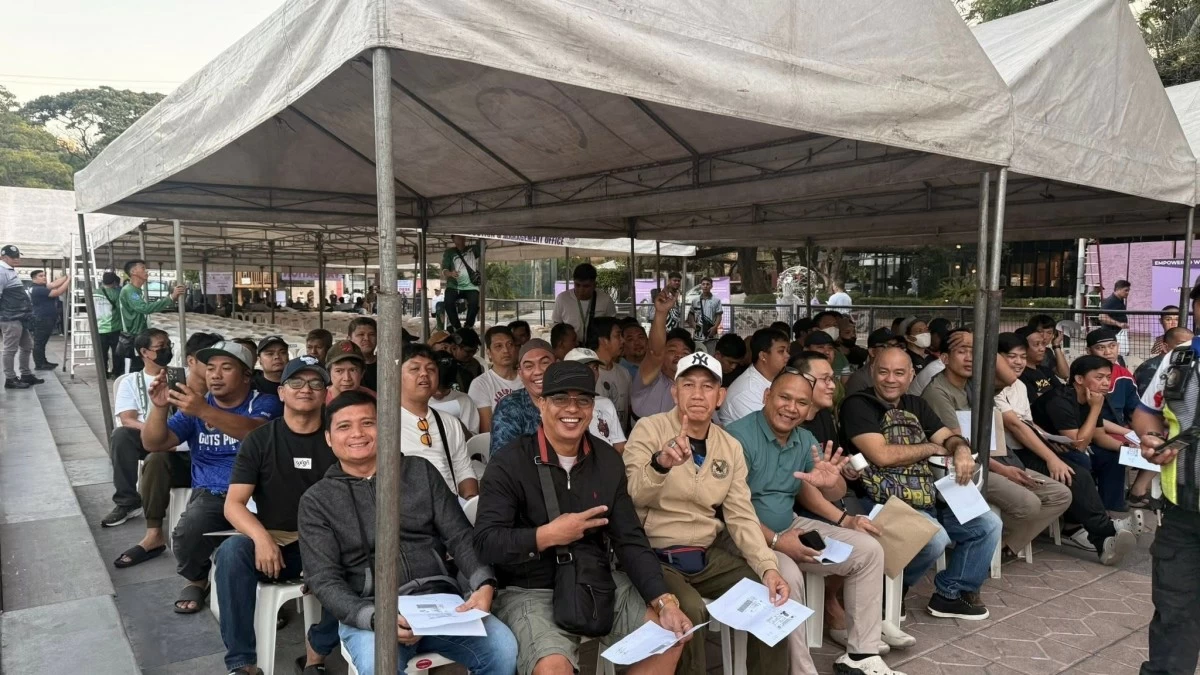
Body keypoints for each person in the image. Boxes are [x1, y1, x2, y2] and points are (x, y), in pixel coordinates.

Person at [475, 361, 688, 675]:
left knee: (669, 638)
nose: (571, 409)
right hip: (530, 589)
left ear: (592, 407)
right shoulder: (509, 462)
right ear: (542, 403)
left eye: (582, 400)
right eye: (560, 399)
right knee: (553, 669)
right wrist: (547, 535)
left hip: (594, 579)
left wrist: (664, 601)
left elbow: (630, 539)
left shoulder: (607, 461)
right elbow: (486, 541)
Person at [299, 392, 516, 674]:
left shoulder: (419, 471)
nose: (357, 434)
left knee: (504, 649)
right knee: (380, 666)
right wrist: (377, 618)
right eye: (344, 426)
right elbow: (324, 580)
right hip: (370, 611)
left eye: (368, 423)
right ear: (328, 437)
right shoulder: (317, 501)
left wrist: (485, 583)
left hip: (440, 603)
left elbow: (460, 535)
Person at [728, 370, 905, 675]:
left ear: (809, 409)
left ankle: (861, 656)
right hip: (744, 535)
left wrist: (830, 481)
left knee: (868, 550)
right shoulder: (737, 437)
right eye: (784, 397)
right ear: (767, 396)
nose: (791, 408)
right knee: (789, 576)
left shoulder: (804, 439)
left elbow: (828, 490)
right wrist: (776, 542)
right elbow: (729, 511)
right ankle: (801, 670)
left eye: (801, 402)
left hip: (789, 525)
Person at [624, 352, 789, 675]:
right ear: (675, 391)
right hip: (655, 554)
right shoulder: (650, 429)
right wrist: (661, 465)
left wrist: (768, 567)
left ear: (720, 396)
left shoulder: (728, 446)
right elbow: (633, 494)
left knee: (771, 601)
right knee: (693, 612)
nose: (697, 394)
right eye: (688, 385)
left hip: (703, 554)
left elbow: (741, 515)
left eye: (707, 386)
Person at [840, 347, 1002, 620]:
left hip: (928, 491)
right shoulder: (857, 404)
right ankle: (892, 589)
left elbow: (947, 438)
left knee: (988, 524)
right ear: (872, 372)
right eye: (883, 371)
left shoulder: (916, 404)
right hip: (880, 496)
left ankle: (951, 593)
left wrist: (960, 448)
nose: (891, 379)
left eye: (899, 373)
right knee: (934, 538)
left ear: (911, 375)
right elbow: (881, 455)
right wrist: (929, 448)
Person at [217, 356, 339, 675]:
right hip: (277, 544)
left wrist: (325, 555)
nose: (306, 389)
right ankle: (242, 663)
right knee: (231, 554)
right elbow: (234, 504)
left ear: (326, 392)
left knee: (368, 559)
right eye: (296, 382)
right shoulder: (260, 439)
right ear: (281, 392)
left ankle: (317, 655)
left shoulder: (339, 437)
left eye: (315, 383)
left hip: (330, 545)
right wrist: (260, 538)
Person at [140, 340, 282, 613]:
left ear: (245, 376)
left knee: (268, 541)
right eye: (211, 368)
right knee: (187, 532)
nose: (215, 375)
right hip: (215, 492)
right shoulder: (196, 407)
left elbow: (256, 433)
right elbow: (154, 443)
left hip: (261, 491)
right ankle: (197, 578)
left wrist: (204, 411)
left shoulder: (264, 402)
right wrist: (159, 406)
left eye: (226, 368)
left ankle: (265, 596)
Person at [921, 330, 1071, 559]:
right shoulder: (938, 392)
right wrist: (1005, 471)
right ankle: (981, 542)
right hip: (963, 468)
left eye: (974, 352)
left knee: (1060, 494)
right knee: (1029, 504)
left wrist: (981, 341)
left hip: (998, 458)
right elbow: (960, 448)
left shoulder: (976, 384)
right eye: (961, 351)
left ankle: (1003, 546)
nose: (969, 358)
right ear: (944, 358)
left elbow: (1010, 377)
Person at [1134, 281, 1200, 675]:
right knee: (1174, 613)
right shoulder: (1179, 359)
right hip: (1181, 513)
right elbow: (1147, 412)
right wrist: (1150, 436)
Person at [1031, 355, 1138, 563]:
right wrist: (1096, 408)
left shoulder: (1093, 397)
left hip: (1069, 451)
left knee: (1112, 457)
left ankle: (1107, 525)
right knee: (1080, 464)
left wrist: (1130, 449)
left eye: (1108, 377)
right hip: (1041, 453)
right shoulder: (1060, 400)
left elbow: (1098, 436)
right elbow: (1079, 443)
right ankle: (1105, 528)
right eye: (1099, 377)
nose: (1106, 383)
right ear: (1079, 379)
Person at [401, 344, 478, 497]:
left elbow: (463, 470)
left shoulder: (449, 422)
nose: (424, 374)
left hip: (449, 509)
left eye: (431, 369)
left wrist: (470, 503)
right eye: (415, 369)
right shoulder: (382, 424)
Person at [634, 291, 696, 419]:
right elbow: (655, 352)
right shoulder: (650, 379)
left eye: (685, 353)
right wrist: (661, 313)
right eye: (672, 351)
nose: (679, 356)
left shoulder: (696, 387)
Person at [489, 339, 555, 457]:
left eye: (545, 363)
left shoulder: (572, 403)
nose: (538, 371)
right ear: (520, 373)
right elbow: (502, 463)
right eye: (529, 366)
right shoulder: (509, 408)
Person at [119, 259, 185, 373]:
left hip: (139, 333)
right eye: (143, 268)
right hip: (134, 335)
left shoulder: (136, 290)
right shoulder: (129, 291)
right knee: (137, 367)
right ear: (134, 272)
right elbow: (144, 308)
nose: (147, 272)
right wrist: (170, 298)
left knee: (142, 365)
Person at [717, 327, 790, 425]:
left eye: (787, 351)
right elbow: (768, 430)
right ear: (763, 356)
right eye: (781, 351)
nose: (788, 355)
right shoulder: (746, 391)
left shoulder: (779, 379)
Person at [562, 348, 628, 451]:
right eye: (585, 368)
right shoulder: (559, 407)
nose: (592, 373)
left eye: (595, 368)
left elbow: (619, 447)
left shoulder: (605, 404)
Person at [0, 245, 39, 389]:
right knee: (10, 349)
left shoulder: (9, 270)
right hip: (10, 317)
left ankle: (26, 374)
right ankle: (10, 379)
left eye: (18, 256)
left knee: (27, 346)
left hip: (19, 316)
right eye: (13, 257)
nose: (17, 259)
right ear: (3, 257)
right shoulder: (1, 271)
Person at [469, 326, 523, 432]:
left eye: (510, 345)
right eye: (498, 346)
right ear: (489, 353)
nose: (506, 350)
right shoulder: (481, 384)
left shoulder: (527, 377)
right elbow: (487, 431)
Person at [552, 263, 617, 339]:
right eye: (577, 285)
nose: (581, 290)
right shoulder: (562, 299)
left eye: (586, 286)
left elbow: (613, 327)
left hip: (597, 348)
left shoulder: (606, 300)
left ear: (595, 285)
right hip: (571, 347)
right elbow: (556, 324)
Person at [589, 316, 632, 429]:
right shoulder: (586, 373)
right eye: (618, 336)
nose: (623, 340)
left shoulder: (624, 373)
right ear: (603, 340)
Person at [430, 354, 481, 436]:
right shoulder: (417, 400)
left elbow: (473, 440)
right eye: (435, 387)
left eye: (445, 388)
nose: (439, 392)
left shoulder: (464, 400)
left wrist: (457, 424)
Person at [29, 269, 69, 370]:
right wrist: (69, 281)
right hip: (42, 318)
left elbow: (54, 284)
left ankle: (43, 361)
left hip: (45, 318)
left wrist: (67, 276)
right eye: (40, 276)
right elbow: (58, 292)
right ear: (34, 279)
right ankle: (39, 364)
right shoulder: (38, 289)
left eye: (44, 275)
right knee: (40, 342)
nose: (44, 277)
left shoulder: (39, 287)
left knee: (42, 342)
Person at [1136, 326, 1193, 395]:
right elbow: (1146, 400)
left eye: (1191, 345)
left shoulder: (1181, 365)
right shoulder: (1152, 368)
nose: (1188, 349)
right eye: (1182, 344)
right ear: (1165, 347)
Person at [442, 235, 482, 331]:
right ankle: (457, 326)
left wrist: (477, 235)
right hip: (454, 285)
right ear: (453, 239)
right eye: (457, 237)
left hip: (471, 286)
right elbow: (444, 270)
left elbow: (482, 244)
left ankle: (468, 326)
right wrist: (451, 273)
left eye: (462, 236)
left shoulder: (473, 250)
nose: (461, 238)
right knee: (448, 302)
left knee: (474, 303)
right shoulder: (449, 252)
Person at [846, 328, 901, 395]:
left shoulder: (900, 375)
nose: (893, 350)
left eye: (896, 346)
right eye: (887, 346)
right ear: (872, 352)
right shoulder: (859, 379)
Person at [1015, 325, 1060, 398]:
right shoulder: (1021, 375)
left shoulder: (1044, 370)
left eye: (1043, 344)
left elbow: (1063, 390)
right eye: (1037, 344)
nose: (1042, 349)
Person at [96, 272, 124, 377]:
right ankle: (116, 372)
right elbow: (121, 309)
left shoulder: (94, 292)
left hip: (98, 328)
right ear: (114, 282)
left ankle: (103, 373)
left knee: (102, 353)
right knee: (116, 352)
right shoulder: (116, 293)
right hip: (114, 327)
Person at [1026, 314, 1070, 380]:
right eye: (1040, 331)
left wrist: (1056, 345)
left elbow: (1065, 374)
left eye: (1049, 333)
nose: (1044, 337)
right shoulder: (1024, 351)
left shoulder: (1048, 352)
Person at [686, 276, 722, 343]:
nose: (705, 286)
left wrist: (715, 327)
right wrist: (694, 324)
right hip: (698, 336)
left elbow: (719, 316)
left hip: (711, 335)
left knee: (711, 352)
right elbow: (691, 314)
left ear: (711, 286)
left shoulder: (717, 301)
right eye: (703, 284)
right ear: (701, 286)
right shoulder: (695, 301)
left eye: (708, 284)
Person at [347, 317, 377, 390]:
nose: (366, 338)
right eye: (361, 334)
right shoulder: (344, 366)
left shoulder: (386, 365)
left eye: (371, 334)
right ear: (349, 339)